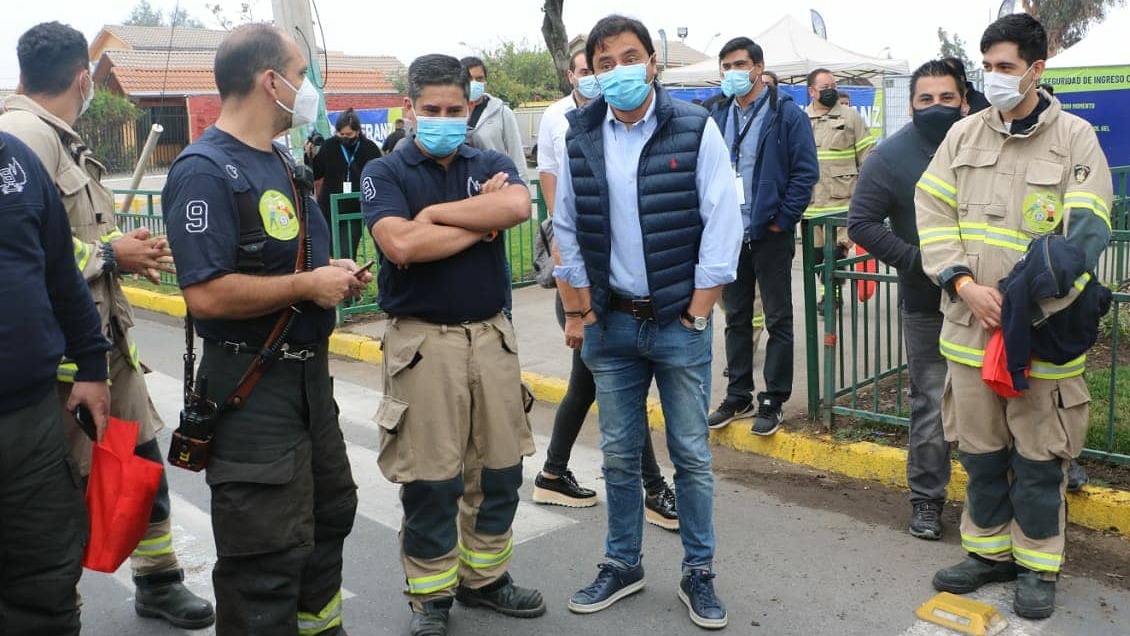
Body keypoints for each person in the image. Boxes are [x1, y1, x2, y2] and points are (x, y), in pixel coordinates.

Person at [0, 21, 215, 629]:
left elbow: (74, 236)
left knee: (140, 464)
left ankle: (159, 579)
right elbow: (34, 250)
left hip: (105, 345)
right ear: (81, 78)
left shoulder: (57, 139)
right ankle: (55, 607)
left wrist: (121, 244)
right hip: (63, 367)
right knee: (58, 499)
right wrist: (108, 257)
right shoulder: (22, 138)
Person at [161, 24, 364, 635]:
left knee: (330, 515)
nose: (307, 90)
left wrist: (332, 275)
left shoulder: (284, 161)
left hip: (309, 385)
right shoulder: (204, 171)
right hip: (251, 391)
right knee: (264, 560)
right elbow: (206, 293)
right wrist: (306, 286)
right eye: (301, 76)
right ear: (269, 81)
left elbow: (292, 265)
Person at [916, 14, 1112, 620]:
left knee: (1038, 457)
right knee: (979, 454)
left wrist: (1027, 306)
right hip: (970, 331)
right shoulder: (963, 135)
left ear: (1036, 68)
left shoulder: (1076, 138)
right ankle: (988, 553)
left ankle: (1037, 565)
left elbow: (1088, 233)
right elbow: (932, 215)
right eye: (989, 67)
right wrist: (964, 283)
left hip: (1041, 338)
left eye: (1006, 67)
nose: (995, 78)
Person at [553, 15, 741, 630]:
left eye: (629, 58)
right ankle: (622, 563)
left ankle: (700, 571)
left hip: (677, 324)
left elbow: (722, 218)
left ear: (652, 62)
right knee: (616, 456)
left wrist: (699, 309)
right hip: (610, 324)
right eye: (604, 63)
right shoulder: (579, 133)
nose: (618, 72)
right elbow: (566, 230)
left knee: (690, 455)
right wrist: (580, 310)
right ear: (592, 73)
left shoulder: (693, 126)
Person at [361, 53, 546, 636]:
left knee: (499, 469)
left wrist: (437, 215)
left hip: (491, 337)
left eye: (455, 109)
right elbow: (401, 247)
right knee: (433, 480)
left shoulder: (489, 160)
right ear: (410, 110)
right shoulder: (386, 172)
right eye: (431, 109)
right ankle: (431, 597)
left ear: (470, 108)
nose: (443, 118)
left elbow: (517, 204)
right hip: (422, 342)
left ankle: (485, 579)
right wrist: (480, 221)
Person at [531, 46, 679, 530]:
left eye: (618, 65)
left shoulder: (631, 123)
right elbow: (561, 216)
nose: (603, 78)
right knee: (617, 392)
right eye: (593, 69)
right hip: (585, 287)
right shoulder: (562, 123)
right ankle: (653, 489)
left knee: (590, 386)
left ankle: (553, 471)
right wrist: (575, 307)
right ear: (577, 75)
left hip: (617, 289)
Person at [847, 60, 968, 542]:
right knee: (931, 404)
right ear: (912, 103)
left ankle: (996, 500)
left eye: (946, 98)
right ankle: (926, 501)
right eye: (925, 99)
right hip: (928, 304)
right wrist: (921, 262)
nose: (936, 107)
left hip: (997, 301)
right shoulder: (890, 156)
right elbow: (861, 223)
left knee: (998, 403)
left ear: (964, 98)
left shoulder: (989, 142)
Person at [0, 130, 111, 636]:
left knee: (46, 574)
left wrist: (92, 365)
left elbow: (60, 273)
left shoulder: (14, 161)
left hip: (29, 422)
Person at [706, 37, 818, 435]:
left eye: (740, 65)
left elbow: (805, 173)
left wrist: (781, 220)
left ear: (758, 67)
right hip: (729, 234)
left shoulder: (785, 114)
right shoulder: (716, 113)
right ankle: (738, 395)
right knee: (736, 318)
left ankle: (773, 400)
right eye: (726, 67)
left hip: (768, 233)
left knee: (777, 318)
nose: (733, 73)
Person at [804, 67, 875, 313]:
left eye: (833, 86)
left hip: (842, 203)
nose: (830, 91)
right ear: (812, 91)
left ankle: (830, 297)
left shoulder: (851, 117)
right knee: (815, 258)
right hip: (812, 206)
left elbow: (868, 157)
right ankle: (829, 293)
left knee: (834, 255)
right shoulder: (802, 119)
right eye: (825, 88)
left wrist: (866, 198)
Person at [305, 107, 383, 260]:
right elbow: (316, 173)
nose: (345, 138)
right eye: (341, 134)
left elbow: (378, 176)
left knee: (347, 249)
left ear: (358, 132)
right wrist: (309, 157)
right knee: (329, 250)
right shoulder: (329, 146)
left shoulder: (370, 149)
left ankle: (349, 279)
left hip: (355, 208)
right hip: (328, 208)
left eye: (349, 135)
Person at [460, 56, 528, 181]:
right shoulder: (451, 113)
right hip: (461, 186)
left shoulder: (502, 112)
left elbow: (517, 155)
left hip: (495, 185)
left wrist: (521, 188)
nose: (474, 83)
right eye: (469, 79)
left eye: (479, 78)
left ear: (486, 81)